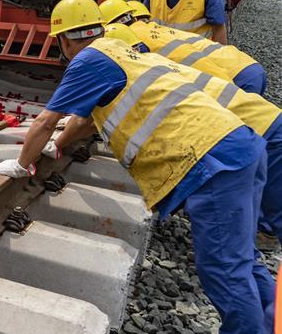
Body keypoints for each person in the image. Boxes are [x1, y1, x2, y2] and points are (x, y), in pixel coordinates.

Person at [0, 0, 278, 334]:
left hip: (213, 162)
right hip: (241, 144)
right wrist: (61, 142)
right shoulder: (119, 48)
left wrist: (22, 162)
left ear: (63, 40)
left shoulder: (87, 60)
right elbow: (88, 121)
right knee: (242, 260)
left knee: (224, 270)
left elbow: (45, 121)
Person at [104, 22, 282, 246]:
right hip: (255, 116)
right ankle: (252, 238)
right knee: (243, 213)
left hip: (256, 128)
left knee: (247, 215)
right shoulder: (152, 50)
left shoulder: (142, 66)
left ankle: (264, 235)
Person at [100, 0, 267, 95]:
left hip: (234, 78)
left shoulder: (135, 41)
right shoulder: (154, 28)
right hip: (242, 64)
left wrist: (229, 89)